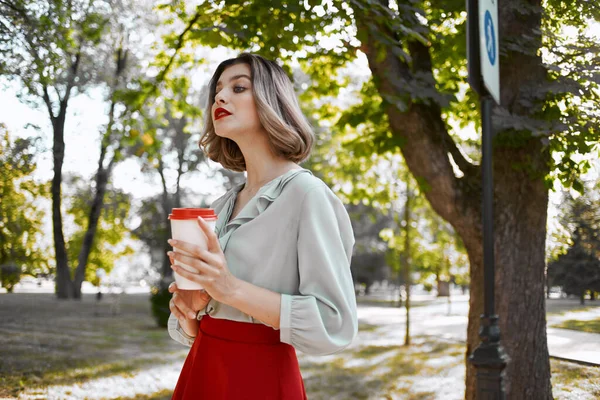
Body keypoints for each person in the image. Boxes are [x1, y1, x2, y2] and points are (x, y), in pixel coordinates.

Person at [166, 53, 357, 400]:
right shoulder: (221, 206)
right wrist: (190, 306)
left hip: (261, 377)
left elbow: (334, 323)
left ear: (273, 102)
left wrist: (228, 289)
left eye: (238, 87)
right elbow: (200, 326)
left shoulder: (306, 195)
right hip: (202, 367)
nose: (220, 98)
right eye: (217, 91)